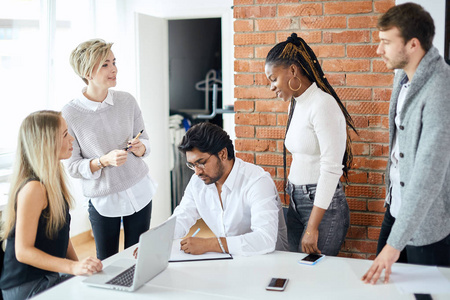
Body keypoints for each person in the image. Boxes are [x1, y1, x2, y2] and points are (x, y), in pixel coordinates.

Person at [362, 3, 450, 284]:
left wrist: (393, 246)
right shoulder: (402, 76)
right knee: (382, 289)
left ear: (413, 44)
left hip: (428, 227)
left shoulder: (440, 89)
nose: (379, 50)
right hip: (396, 210)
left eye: (386, 42)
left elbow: (428, 176)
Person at [62, 39, 157, 260]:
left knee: (138, 258)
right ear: (87, 72)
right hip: (103, 200)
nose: (114, 69)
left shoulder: (127, 101)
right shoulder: (70, 114)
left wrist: (141, 148)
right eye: (105, 64)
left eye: (113, 62)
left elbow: (146, 141)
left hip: (140, 190)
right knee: (107, 262)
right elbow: (73, 167)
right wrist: (103, 161)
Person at [264, 33, 357, 256]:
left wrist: (313, 227)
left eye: (273, 79)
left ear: (293, 71)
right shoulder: (295, 104)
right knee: (296, 271)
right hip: (296, 201)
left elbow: (332, 168)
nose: (271, 87)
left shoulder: (323, 104)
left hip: (321, 207)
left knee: (315, 276)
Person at [0, 111, 102, 300]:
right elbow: (23, 252)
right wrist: (72, 268)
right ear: (46, 143)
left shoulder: (52, 181)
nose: (71, 139)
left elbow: (61, 236)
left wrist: (79, 269)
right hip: (26, 286)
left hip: (48, 276)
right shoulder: (33, 188)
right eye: (64, 134)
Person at [170, 122, 288, 256]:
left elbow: (265, 239)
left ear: (223, 154)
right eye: (192, 165)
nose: (197, 172)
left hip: (268, 262)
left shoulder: (257, 181)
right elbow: (182, 217)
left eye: (201, 163)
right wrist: (153, 242)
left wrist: (210, 244)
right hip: (228, 261)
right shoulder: (197, 182)